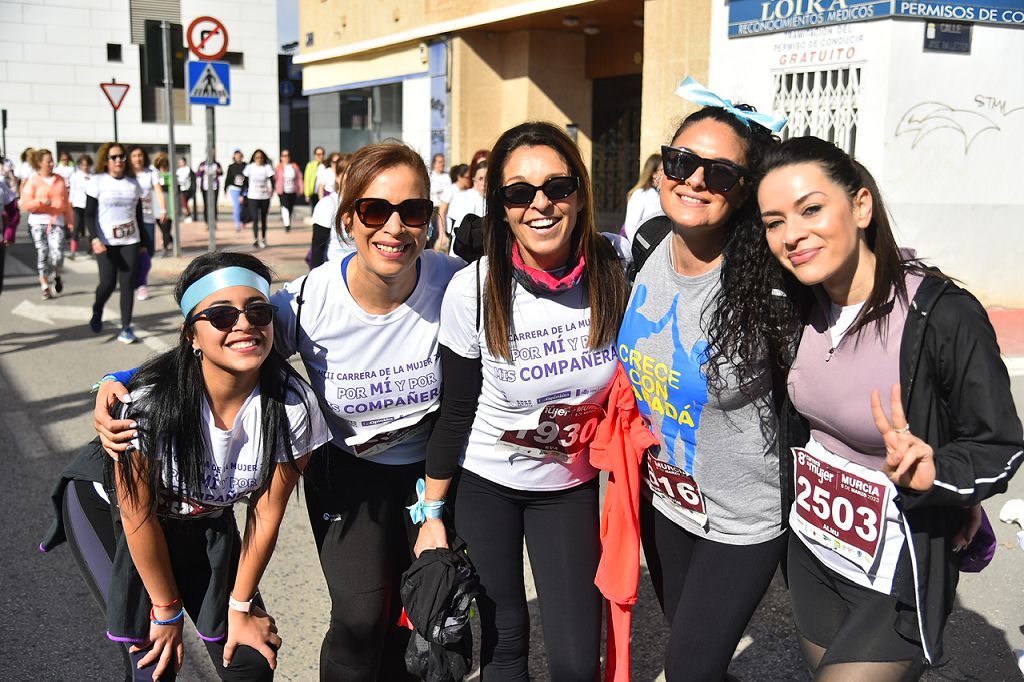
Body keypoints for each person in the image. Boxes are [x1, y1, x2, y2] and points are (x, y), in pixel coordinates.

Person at [94, 141, 463, 681]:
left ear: (429, 219)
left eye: (412, 212)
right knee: (360, 618)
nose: (394, 227)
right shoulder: (304, 303)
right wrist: (116, 380)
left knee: (433, 611)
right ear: (346, 219)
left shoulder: (455, 284)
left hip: (436, 469)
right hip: (348, 469)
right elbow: (217, 347)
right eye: (374, 210)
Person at [755, 136, 1023, 679]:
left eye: (811, 209)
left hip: (900, 564)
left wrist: (939, 474)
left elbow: (998, 444)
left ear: (860, 205)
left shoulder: (940, 316)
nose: (793, 235)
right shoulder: (795, 308)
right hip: (815, 548)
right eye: (774, 221)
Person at [52, 251, 330, 681]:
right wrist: (166, 612)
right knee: (153, 666)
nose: (244, 324)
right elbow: (138, 515)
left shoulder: (293, 405)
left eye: (258, 311)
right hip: (113, 512)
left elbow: (266, 513)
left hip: (203, 517)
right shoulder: (144, 405)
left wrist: (240, 607)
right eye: (221, 316)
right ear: (192, 336)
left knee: (249, 663)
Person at [419, 121, 630, 679]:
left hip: (568, 486)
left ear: (580, 195)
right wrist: (432, 513)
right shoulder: (475, 287)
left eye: (557, 188)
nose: (541, 205)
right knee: (506, 642)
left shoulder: (615, 271)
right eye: (519, 193)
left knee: (575, 657)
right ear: (502, 207)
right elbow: (457, 408)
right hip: (487, 484)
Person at [615, 78, 791, 681]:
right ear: (663, 169)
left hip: (742, 517)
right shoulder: (646, 247)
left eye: (719, 174)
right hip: (667, 500)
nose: (694, 181)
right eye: (683, 162)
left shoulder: (770, 283)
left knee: (687, 668)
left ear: (744, 193)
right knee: (699, 664)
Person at [86, 142, 145, 344]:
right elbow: (89, 214)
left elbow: (138, 214)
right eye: (114, 157)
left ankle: (126, 327)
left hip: (130, 240)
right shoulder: (98, 181)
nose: (118, 160)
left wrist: (144, 242)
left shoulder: (133, 184)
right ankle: (98, 308)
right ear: (106, 160)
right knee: (108, 283)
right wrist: (94, 238)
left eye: (121, 156)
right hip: (105, 242)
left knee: (127, 284)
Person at [21, 148, 73, 300]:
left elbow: (67, 203)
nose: (52, 164)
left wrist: (70, 222)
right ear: (39, 163)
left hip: (56, 222)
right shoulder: (33, 181)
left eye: (52, 161)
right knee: (42, 253)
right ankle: (44, 286)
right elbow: (25, 204)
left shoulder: (60, 180)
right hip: (37, 222)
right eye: (48, 161)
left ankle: (56, 274)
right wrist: (40, 201)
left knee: (57, 254)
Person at [128, 146, 166, 301]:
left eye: (140, 155)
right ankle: (141, 284)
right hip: (130, 219)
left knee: (148, 252)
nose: (138, 158)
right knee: (134, 252)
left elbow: (158, 190)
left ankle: (138, 279)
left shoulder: (151, 172)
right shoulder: (126, 173)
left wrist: (163, 209)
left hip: (147, 217)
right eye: (134, 155)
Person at [309, 156, 352, 269]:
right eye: (348, 173)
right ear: (338, 177)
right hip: (336, 271)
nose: (354, 178)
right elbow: (318, 248)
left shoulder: (368, 204)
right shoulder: (328, 204)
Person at [622, 153, 665, 244]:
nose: (665, 173)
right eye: (662, 170)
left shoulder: (663, 194)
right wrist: (640, 249)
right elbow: (631, 226)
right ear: (653, 173)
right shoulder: (641, 194)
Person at [243, 150, 274, 249]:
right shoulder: (250, 167)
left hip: (264, 196)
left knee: (264, 218)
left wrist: (272, 190)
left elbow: (272, 180)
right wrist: (242, 194)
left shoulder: (267, 167)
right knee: (255, 218)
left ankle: (264, 238)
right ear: (253, 158)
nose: (259, 159)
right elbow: (245, 181)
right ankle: (256, 239)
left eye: (261, 157)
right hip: (253, 196)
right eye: (257, 157)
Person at [446, 161, 486, 239]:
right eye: (480, 179)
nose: (484, 183)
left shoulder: (493, 200)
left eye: (487, 178)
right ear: (474, 179)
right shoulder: (464, 198)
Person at [436, 163, 469, 243]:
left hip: (464, 231)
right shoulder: (450, 190)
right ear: (459, 177)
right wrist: (442, 235)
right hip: (451, 231)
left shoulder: (469, 191)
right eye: (467, 177)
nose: (469, 180)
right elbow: (442, 212)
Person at [69, 154, 93, 258]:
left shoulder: (93, 176)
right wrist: (70, 203)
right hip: (78, 204)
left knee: (90, 228)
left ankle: (91, 249)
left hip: (89, 205)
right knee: (76, 227)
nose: (85, 167)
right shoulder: (75, 175)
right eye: (83, 165)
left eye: (87, 165)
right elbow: (72, 190)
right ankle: (73, 251)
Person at [153, 153, 175, 256]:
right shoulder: (154, 176)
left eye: (164, 165)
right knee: (163, 229)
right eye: (160, 165)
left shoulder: (171, 176)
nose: (162, 167)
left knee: (166, 229)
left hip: (169, 207)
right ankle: (171, 241)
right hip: (156, 207)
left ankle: (165, 248)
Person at [274, 149, 301, 233]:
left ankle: (287, 221)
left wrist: (300, 188)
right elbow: (275, 178)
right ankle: (287, 225)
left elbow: (299, 178)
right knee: (284, 207)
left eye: (287, 155)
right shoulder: (279, 167)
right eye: (284, 156)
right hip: (282, 191)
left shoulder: (294, 166)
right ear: (281, 157)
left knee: (290, 208)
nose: (286, 157)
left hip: (292, 190)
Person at [198, 155, 223, 227]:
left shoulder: (216, 164)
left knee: (214, 205)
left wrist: (219, 170)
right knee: (206, 205)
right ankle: (207, 222)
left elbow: (221, 173)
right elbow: (198, 174)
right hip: (205, 187)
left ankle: (214, 222)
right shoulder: (203, 164)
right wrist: (201, 170)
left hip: (214, 187)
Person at [226, 149, 247, 232]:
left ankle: (244, 221)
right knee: (237, 205)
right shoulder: (231, 167)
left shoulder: (245, 165)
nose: (238, 158)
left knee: (244, 205)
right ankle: (237, 224)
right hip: (234, 188)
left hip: (244, 188)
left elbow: (247, 179)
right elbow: (228, 178)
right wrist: (225, 188)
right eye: (236, 156)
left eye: (239, 156)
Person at [304, 146, 325, 212]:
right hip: (314, 192)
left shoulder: (326, 165)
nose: (320, 156)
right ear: (315, 155)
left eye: (322, 154)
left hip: (324, 192)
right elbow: (307, 180)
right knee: (315, 210)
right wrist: (307, 194)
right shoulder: (310, 165)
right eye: (318, 154)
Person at [176, 156, 196, 222]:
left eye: (182, 162)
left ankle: (188, 215)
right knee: (184, 204)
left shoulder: (188, 169)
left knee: (185, 204)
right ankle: (187, 215)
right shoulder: (178, 171)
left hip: (188, 189)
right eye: (179, 162)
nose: (180, 163)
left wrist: (192, 188)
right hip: (181, 189)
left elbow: (193, 179)